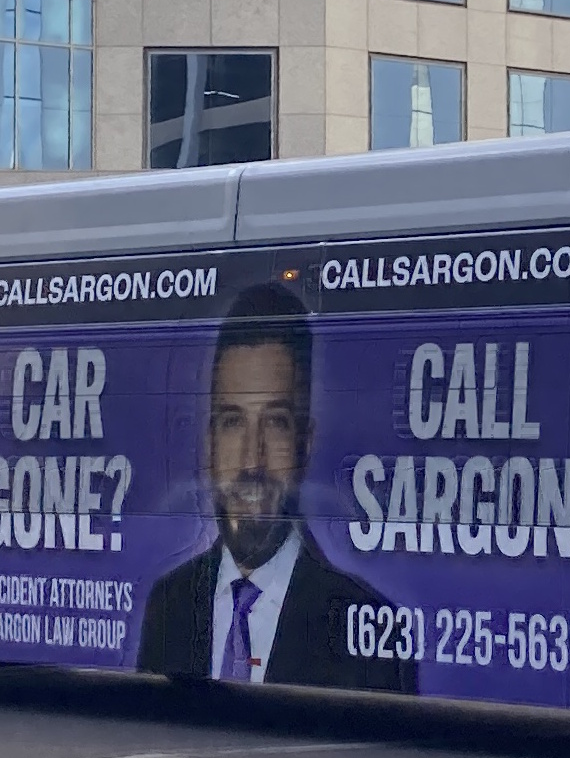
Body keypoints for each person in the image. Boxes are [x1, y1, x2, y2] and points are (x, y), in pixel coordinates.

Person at [139, 282, 417, 693]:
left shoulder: (369, 622)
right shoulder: (169, 605)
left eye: (276, 422)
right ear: (209, 444)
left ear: (305, 444)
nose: (252, 460)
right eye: (232, 422)